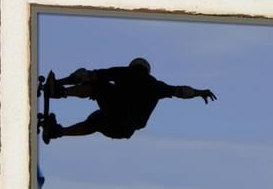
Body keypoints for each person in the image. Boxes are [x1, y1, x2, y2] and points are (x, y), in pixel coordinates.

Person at [44, 57, 217, 141]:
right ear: (147, 70)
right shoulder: (156, 86)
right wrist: (200, 92)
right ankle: (58, 132)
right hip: (123, 130)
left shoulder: (124, 72)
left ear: (133, 66)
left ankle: (60, 93)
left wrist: (59, 83)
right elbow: (182, 91)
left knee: (96, 85)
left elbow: (88, 75)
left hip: (118, 114)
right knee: (95, 121)